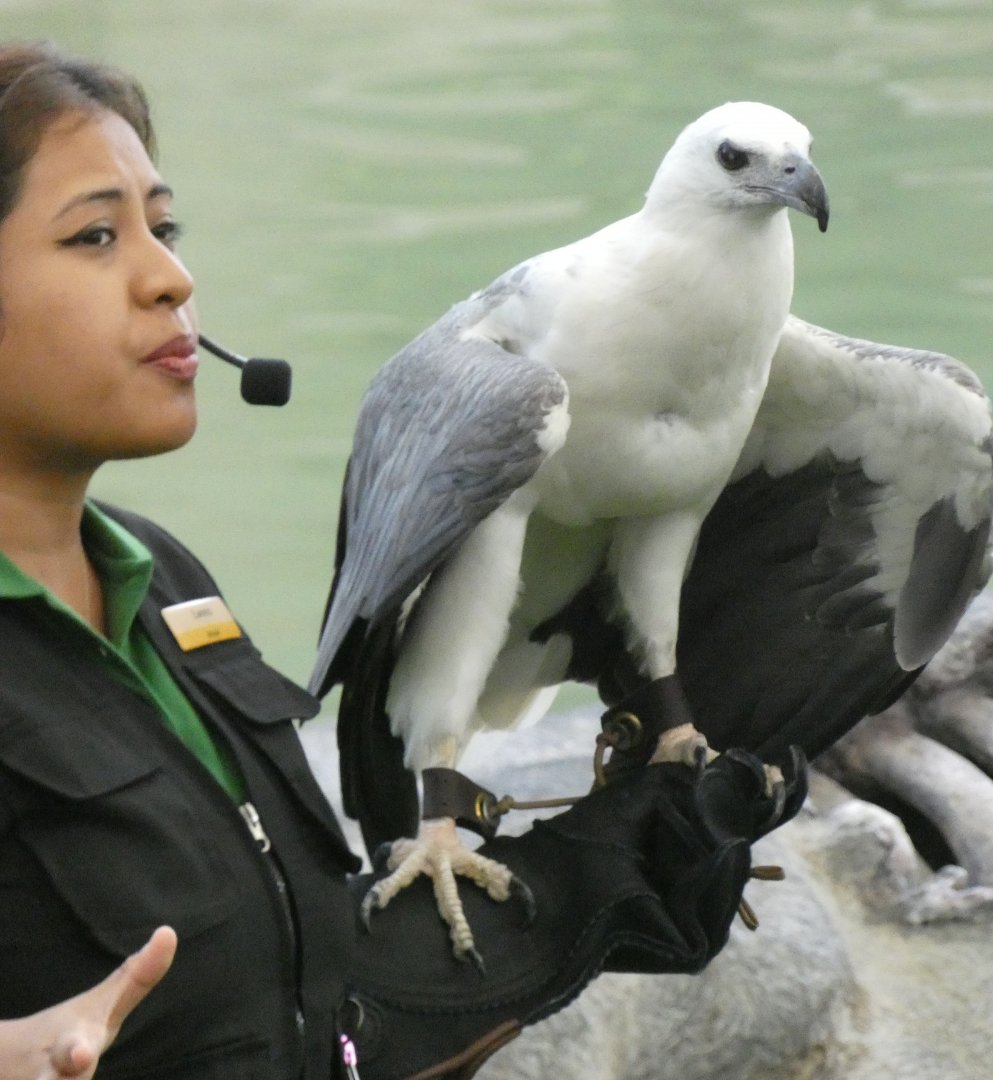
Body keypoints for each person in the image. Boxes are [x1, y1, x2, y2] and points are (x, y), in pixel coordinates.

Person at [0, 41, 803, 1080]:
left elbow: (302, 997)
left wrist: (591, 887)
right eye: (96, 236)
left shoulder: (162, 588)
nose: (172, 279)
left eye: (165, 227)